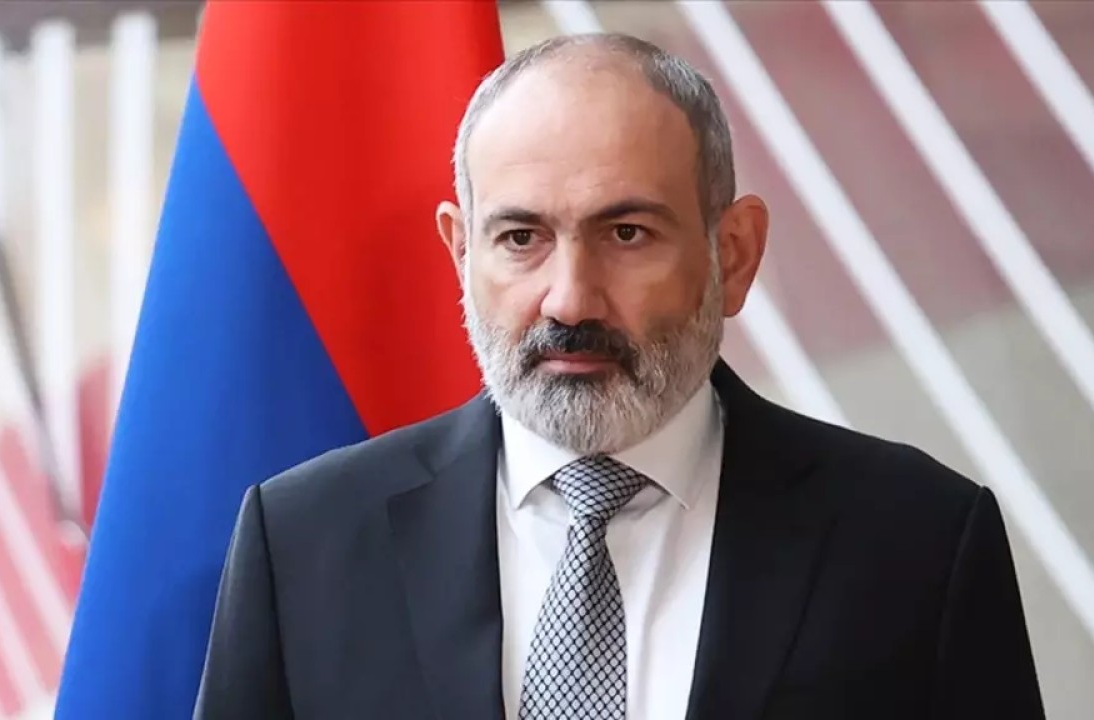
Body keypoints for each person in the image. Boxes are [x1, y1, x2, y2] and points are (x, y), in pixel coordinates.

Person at [193, 33, 1045, 720]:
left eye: (627, 233)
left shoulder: (918, 541)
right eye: (520, 238)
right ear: (460, 253)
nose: (570, 298)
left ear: (733, 254)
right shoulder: (302, 543)